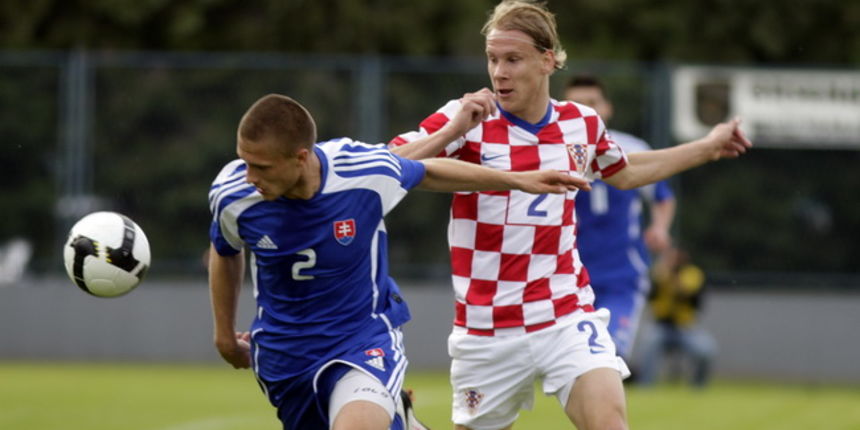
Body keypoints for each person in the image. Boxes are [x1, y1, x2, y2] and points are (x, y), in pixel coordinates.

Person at [389, 1, 750, 429]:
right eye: (492, 59)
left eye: (512, 59)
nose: (499, 72)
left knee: (608, 421)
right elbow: (392, 166)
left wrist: (707, 148)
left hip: (564, 312)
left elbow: (627, 171)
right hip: (488, 327)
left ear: (547, 61)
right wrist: (460, 137)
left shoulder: (581, 122)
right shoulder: (467, 117)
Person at [207, 93, 588, 430]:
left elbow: (430, 171)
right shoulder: (232, 196)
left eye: (262, 167)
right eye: (245, 162)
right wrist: (224, 336)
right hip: (285, 355)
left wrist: (519, 180)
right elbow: (225, 252)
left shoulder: (358, 173)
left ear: (300, 158)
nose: (250, 175)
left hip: (361, 339)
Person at [565, 74, 676, 363]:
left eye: (592, 103)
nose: (586, 110)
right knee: (574, 359)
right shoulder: (551, 151)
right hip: (567, 275)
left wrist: (660, 227)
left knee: (611, 352)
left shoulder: (632, 148)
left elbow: (662, 195)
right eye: (577, 104)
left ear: (608, 108)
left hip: (621, 273)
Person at [637, 245, 717, 388]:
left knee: (706, 350)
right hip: (661, 326)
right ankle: (645, 387)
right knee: (647, 346)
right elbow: (649, 294)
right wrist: (660, 276)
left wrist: (672, 278)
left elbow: (690, 295)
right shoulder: (659, 273)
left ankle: (699, 388)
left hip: (685, 327)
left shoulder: (692, 274)